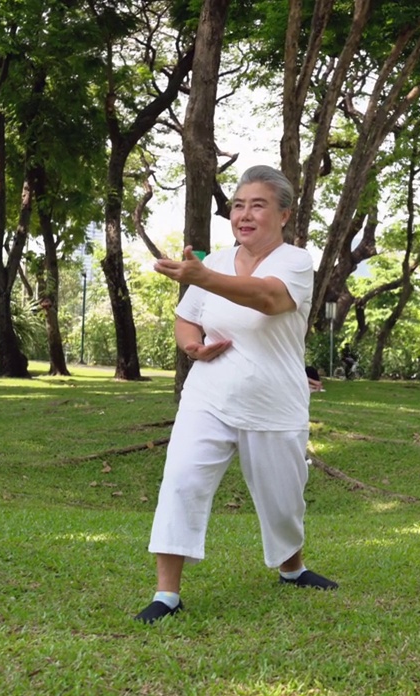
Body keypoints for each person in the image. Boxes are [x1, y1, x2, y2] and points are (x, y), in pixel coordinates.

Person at [136, 165, 338, 624]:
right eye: (238, 205)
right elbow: (188, 316)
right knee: (181, 481)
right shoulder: (217, 263)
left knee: (284, 498)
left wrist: (201, 276)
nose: (244, 214)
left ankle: (292, 568)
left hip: (274, 401)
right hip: (208, 396)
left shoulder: (296, 262)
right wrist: (192, 345)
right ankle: (167, 594)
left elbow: (268, 299)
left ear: (284, 215)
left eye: (258, 205)